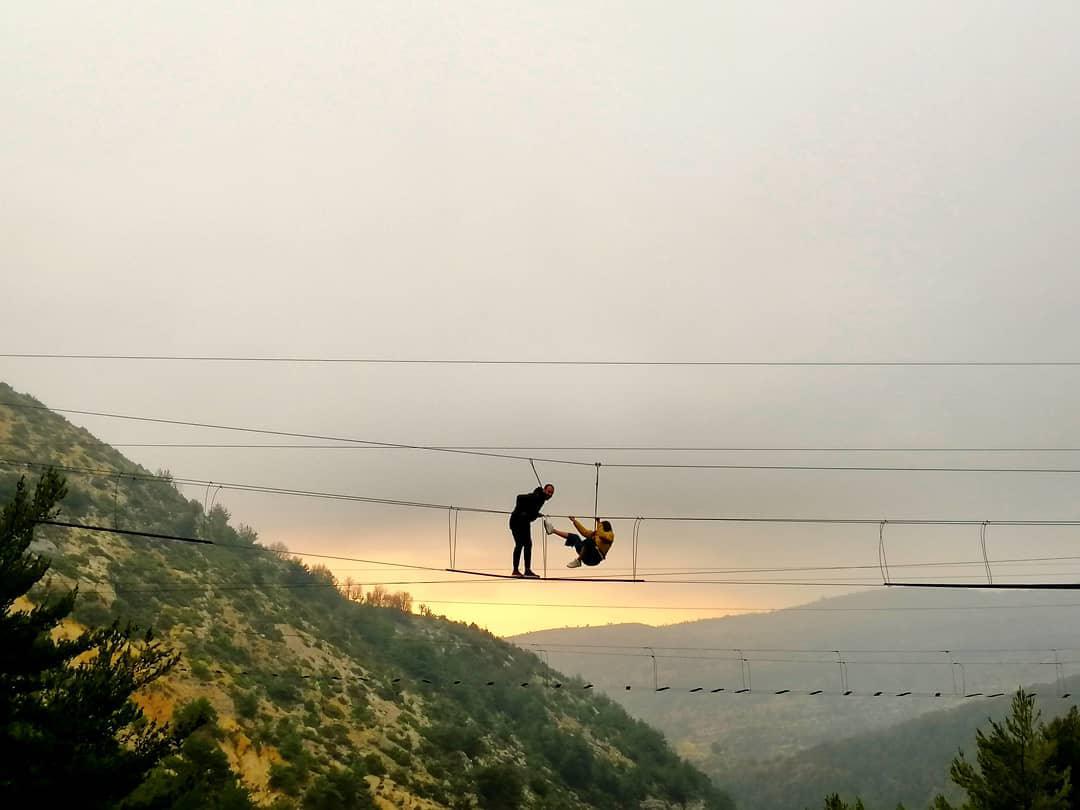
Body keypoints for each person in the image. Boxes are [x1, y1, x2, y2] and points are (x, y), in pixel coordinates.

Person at [508, 483, 554, 578]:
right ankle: (517, 570)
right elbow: (519, 497)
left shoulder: (541, 499)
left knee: (527, 544)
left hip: (524, 523)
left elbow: (530, 509)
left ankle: (526, 570)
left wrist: (536, 514)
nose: (550, 494)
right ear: (544, 490)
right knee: (521, 544)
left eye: (551, 493)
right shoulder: (537, 496)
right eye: (548, 491)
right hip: (517, 521)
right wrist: (521, 512)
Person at [544, 516, 614, 568]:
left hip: (594, 558)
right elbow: (584, 532)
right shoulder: (597, 534)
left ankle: (578, 561)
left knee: (589, 541)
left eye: (601, 526)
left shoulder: (610, 535)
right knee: (576, 537)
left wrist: (599, 523)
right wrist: (574, 521)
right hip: (587, 555)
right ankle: (553, 530)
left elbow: (603, 536)